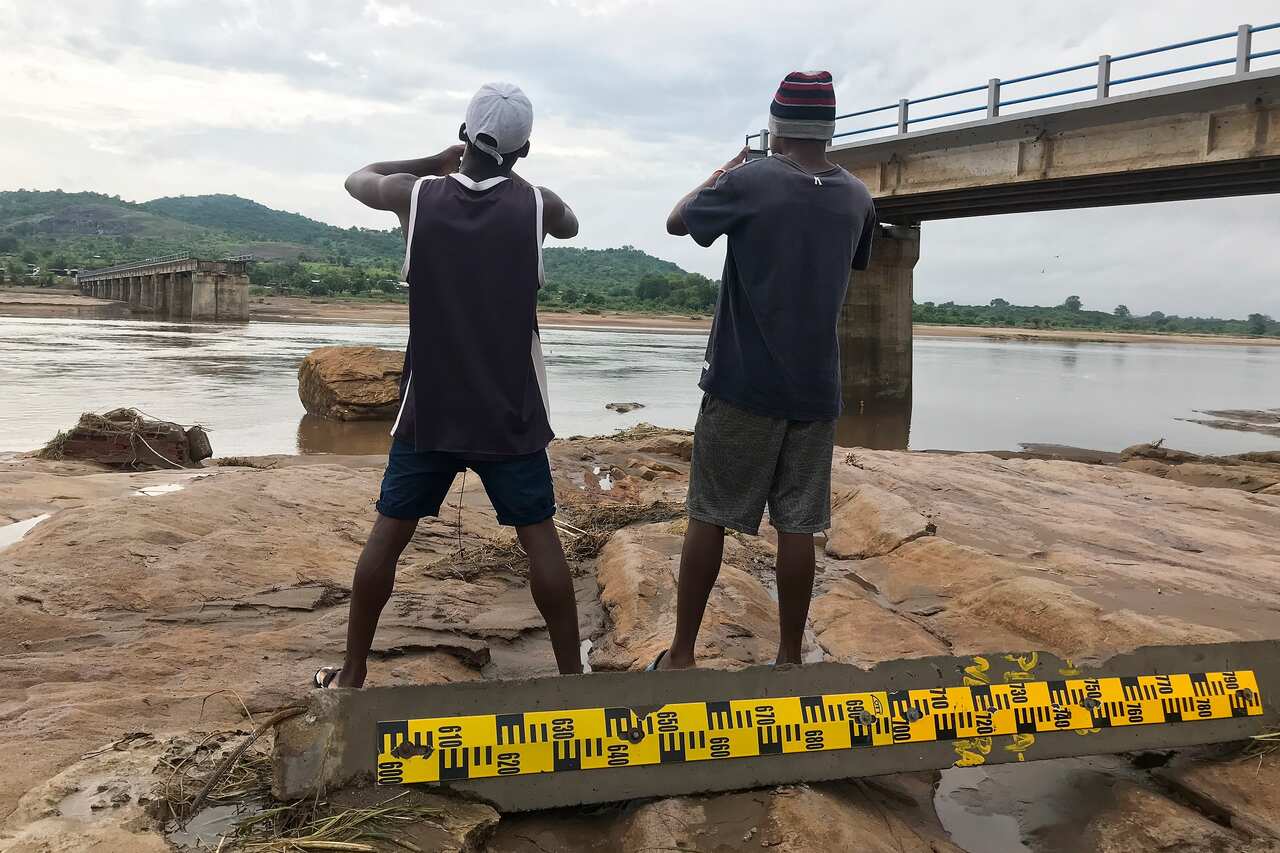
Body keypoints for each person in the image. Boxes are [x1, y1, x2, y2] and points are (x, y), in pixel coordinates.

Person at [317, 82, 583, 688]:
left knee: (388, 537)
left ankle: (353, 674)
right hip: (510, 414)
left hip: (430, 409)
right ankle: (573, 677)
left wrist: (429, 162)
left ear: (463, 135)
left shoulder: (417, 198)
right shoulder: (538, 204)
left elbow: (358, 177)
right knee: (539, 538)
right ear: (526, 149)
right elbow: (569, 223)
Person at [653, 71, 876, 670]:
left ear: (775, 125)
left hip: (741, 384)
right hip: (815, 390)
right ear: (830, 129)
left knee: (710, 515)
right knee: (798, 525)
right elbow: (853, 260)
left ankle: (681, 657)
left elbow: (678, 222)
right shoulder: (857, 196)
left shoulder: (749, 182)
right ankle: (787, 660)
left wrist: (721, 174)